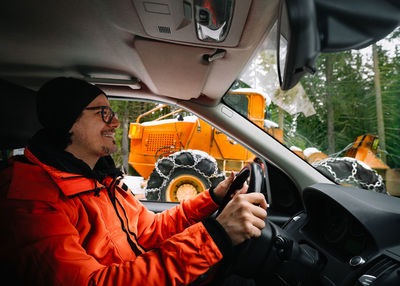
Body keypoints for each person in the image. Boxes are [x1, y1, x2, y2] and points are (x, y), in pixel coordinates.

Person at [0, 77, 268, 286]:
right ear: (68, 121)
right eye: (103, 113)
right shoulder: (30, 201)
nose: (115, 122)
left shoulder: (102, 181)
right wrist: (215, 237)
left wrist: (212, 199)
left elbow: (151, 230)